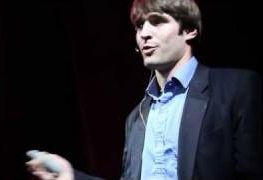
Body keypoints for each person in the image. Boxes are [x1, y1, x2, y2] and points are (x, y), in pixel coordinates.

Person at [26, 0, 263, 179]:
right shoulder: (137, 118)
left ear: (189, 30)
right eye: (140, 26)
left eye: (157, 21)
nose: (144, 34)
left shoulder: (235, 88)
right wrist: (71, 176)